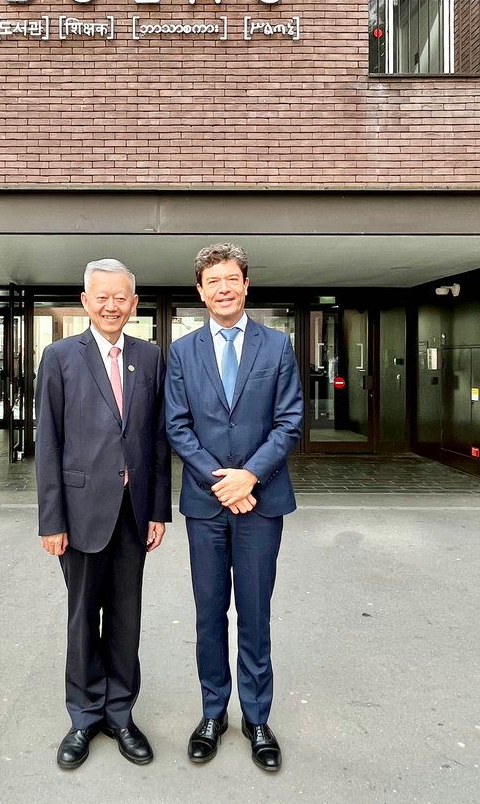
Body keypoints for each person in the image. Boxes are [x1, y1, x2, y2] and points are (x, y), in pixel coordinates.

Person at [165, 243, 303, 772]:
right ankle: (212, 714)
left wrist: (250, 476)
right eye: (213, 281)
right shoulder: (183, 352)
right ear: (200, 292)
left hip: (261, 502)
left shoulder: (277, 346)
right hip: (206, 505)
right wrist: (222, 482)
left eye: (231, 279)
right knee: (208, 613)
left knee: (255, 612)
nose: (223, 288)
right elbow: (177, 425)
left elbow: (289, 420)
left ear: (246, 285)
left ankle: (257, 717)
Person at [35, 258, 172, 770]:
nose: (112, 306)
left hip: (134, 514)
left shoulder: (149, 357)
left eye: (121, 298)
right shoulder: (60, 357)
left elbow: (157, 439)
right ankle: (84, 715)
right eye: (102, 297)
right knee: (82, 618)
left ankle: (120, 714)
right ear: (85, 302)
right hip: (79, 513)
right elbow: (48, 442)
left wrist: (158, 509)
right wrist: (51, 520)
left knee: (125, 618)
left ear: (133, 304)